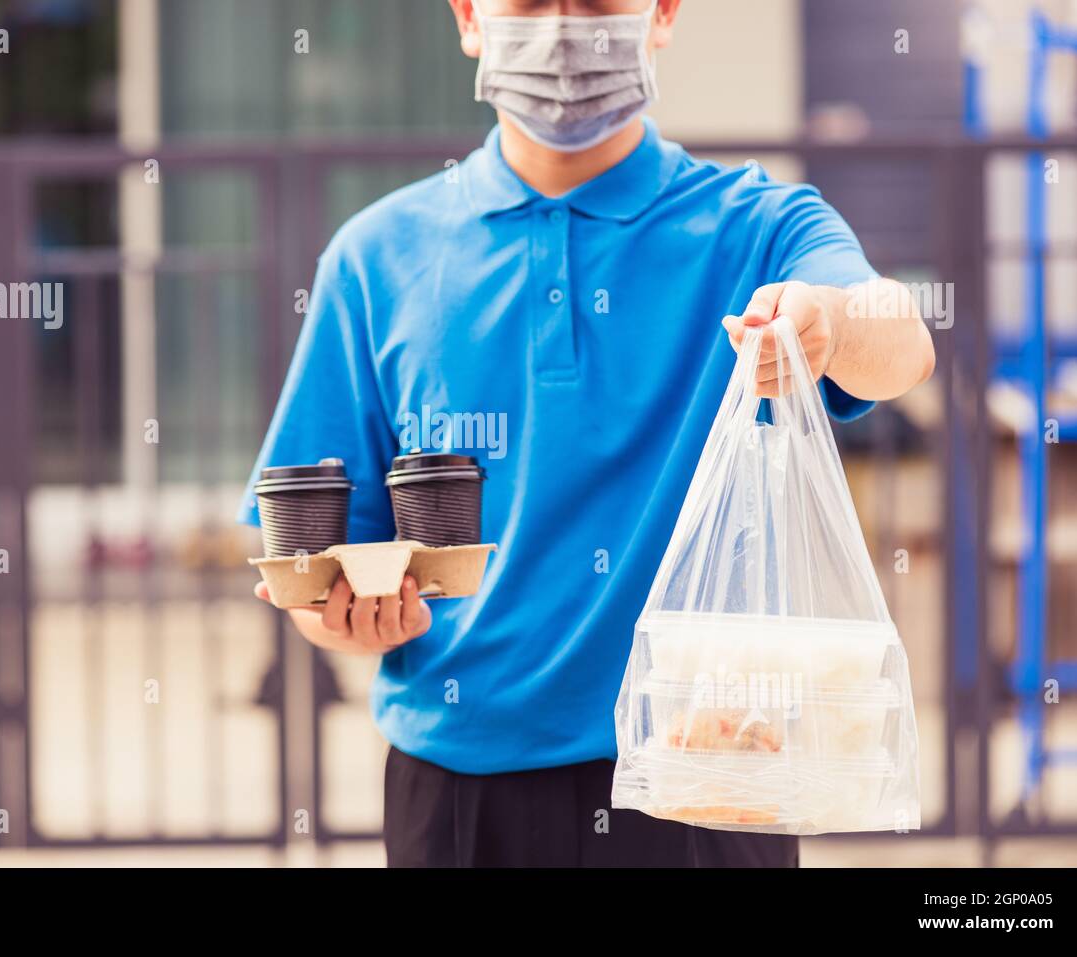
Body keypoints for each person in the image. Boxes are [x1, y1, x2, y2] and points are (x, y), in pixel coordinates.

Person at [240, 0, 935, 867]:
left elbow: (900, 338)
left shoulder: (759, 227)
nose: (566, 28)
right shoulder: (376, 259)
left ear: (664, 12)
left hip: (706, 775)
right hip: (460, 798)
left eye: (599, 2)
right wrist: (347, 622)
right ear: (467, 16)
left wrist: (830, 321)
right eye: (531, 4)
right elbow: (319, 565)